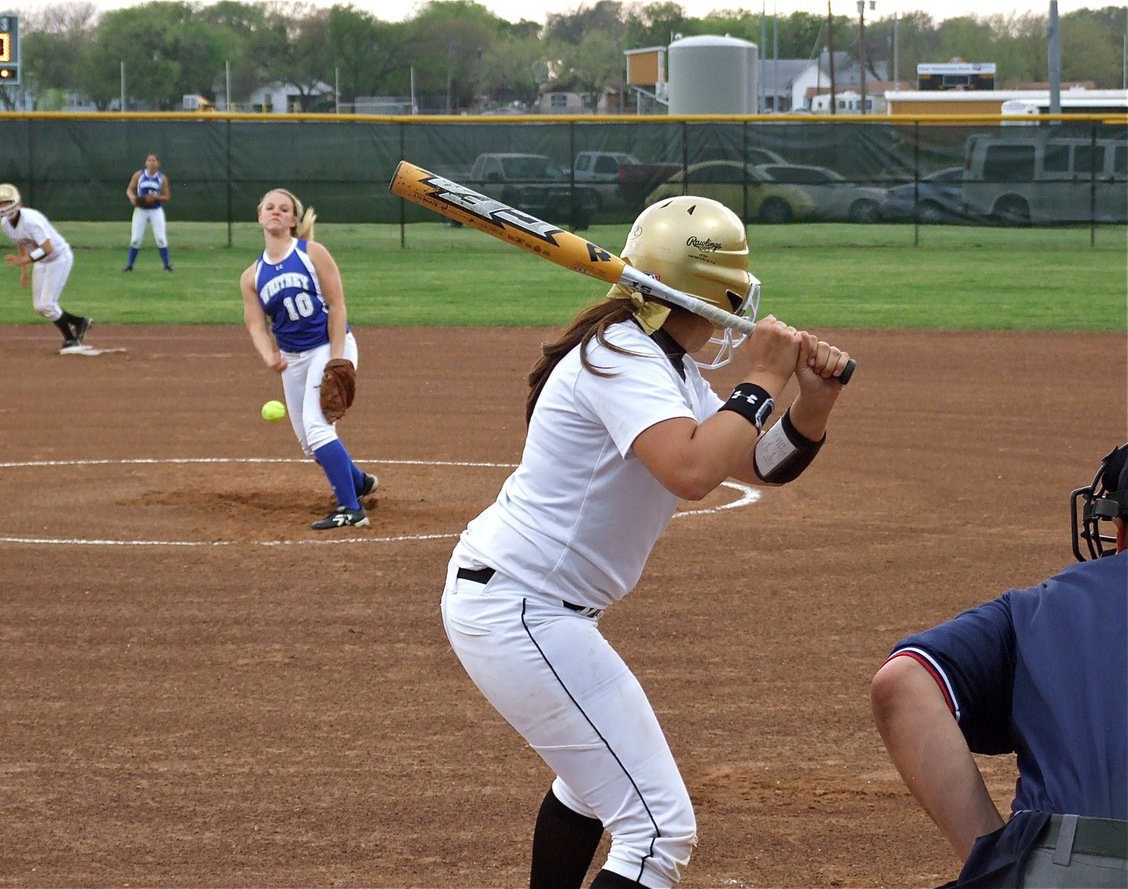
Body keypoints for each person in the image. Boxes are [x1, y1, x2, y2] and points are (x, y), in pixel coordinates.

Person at [440, 196, 851, 889]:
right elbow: (691, 470)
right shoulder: (621, 353)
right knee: (658, 829)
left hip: (531, 605)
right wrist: (764, 377)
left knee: (590, 785)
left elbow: (752, 462)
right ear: (704, 293)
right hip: (519, 606)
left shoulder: (663, 363)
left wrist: (810, 401)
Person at [870, 444, 1128, 888]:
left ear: (1118, 529)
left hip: (1061, 868)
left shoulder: (1044, 608)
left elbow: (903, 681)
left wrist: (992, 864)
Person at [240, 188, 377, 530]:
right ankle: (358, 482)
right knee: (308, 442)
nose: (275, 212)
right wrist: (268, 354)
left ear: (292, 221)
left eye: (283, 208)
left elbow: (338, 306)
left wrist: (335, 358)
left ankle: (351, 509)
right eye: (268, 207)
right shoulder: (252, 276)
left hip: (328, 347)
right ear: (259, 217)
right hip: (292, 358)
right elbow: (256, 324)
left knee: (318, 428)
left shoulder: (312, 253)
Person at [0, 183, 92, 355]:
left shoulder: (31, 221)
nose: (3, 207)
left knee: (47, 304)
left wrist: (24, 260)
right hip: (41, 261)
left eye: (6, 202)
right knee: (40, 307)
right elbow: (20, 243)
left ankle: (71, 340)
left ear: (17, 202)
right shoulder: (6, 224)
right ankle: (80, 322)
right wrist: (23, 270)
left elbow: (48, 248)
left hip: (59, 257)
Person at [123, 153, 172, 272]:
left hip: (156, 210)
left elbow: (166, 197)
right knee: (135, 239)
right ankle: (129, 266)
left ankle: (167, 266)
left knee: (160, 238)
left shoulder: (161, 178)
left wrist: (154, 198)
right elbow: (129, 189)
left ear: (158, 164)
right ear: (146, 163)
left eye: (154, 160)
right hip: (141, 210)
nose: (151, 162)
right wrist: (132, 198)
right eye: (149, 160)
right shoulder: (139, 175)